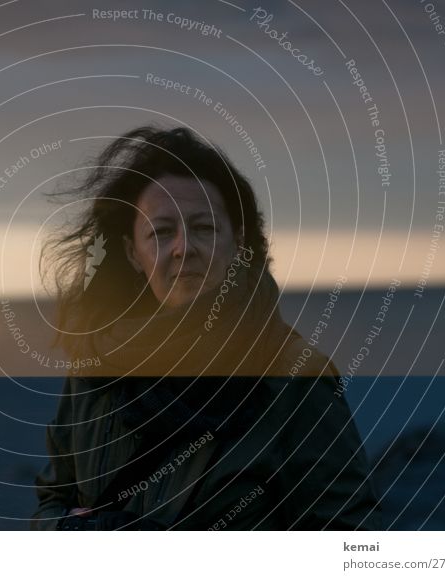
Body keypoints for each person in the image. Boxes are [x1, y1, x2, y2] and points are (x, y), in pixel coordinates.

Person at [30, 126, 381, 530]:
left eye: (204, 228)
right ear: (132, 253)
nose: (183, 248)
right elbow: (53, 500)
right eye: (161, 233)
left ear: (239, 242)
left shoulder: (294, 378)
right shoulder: (95, 366)